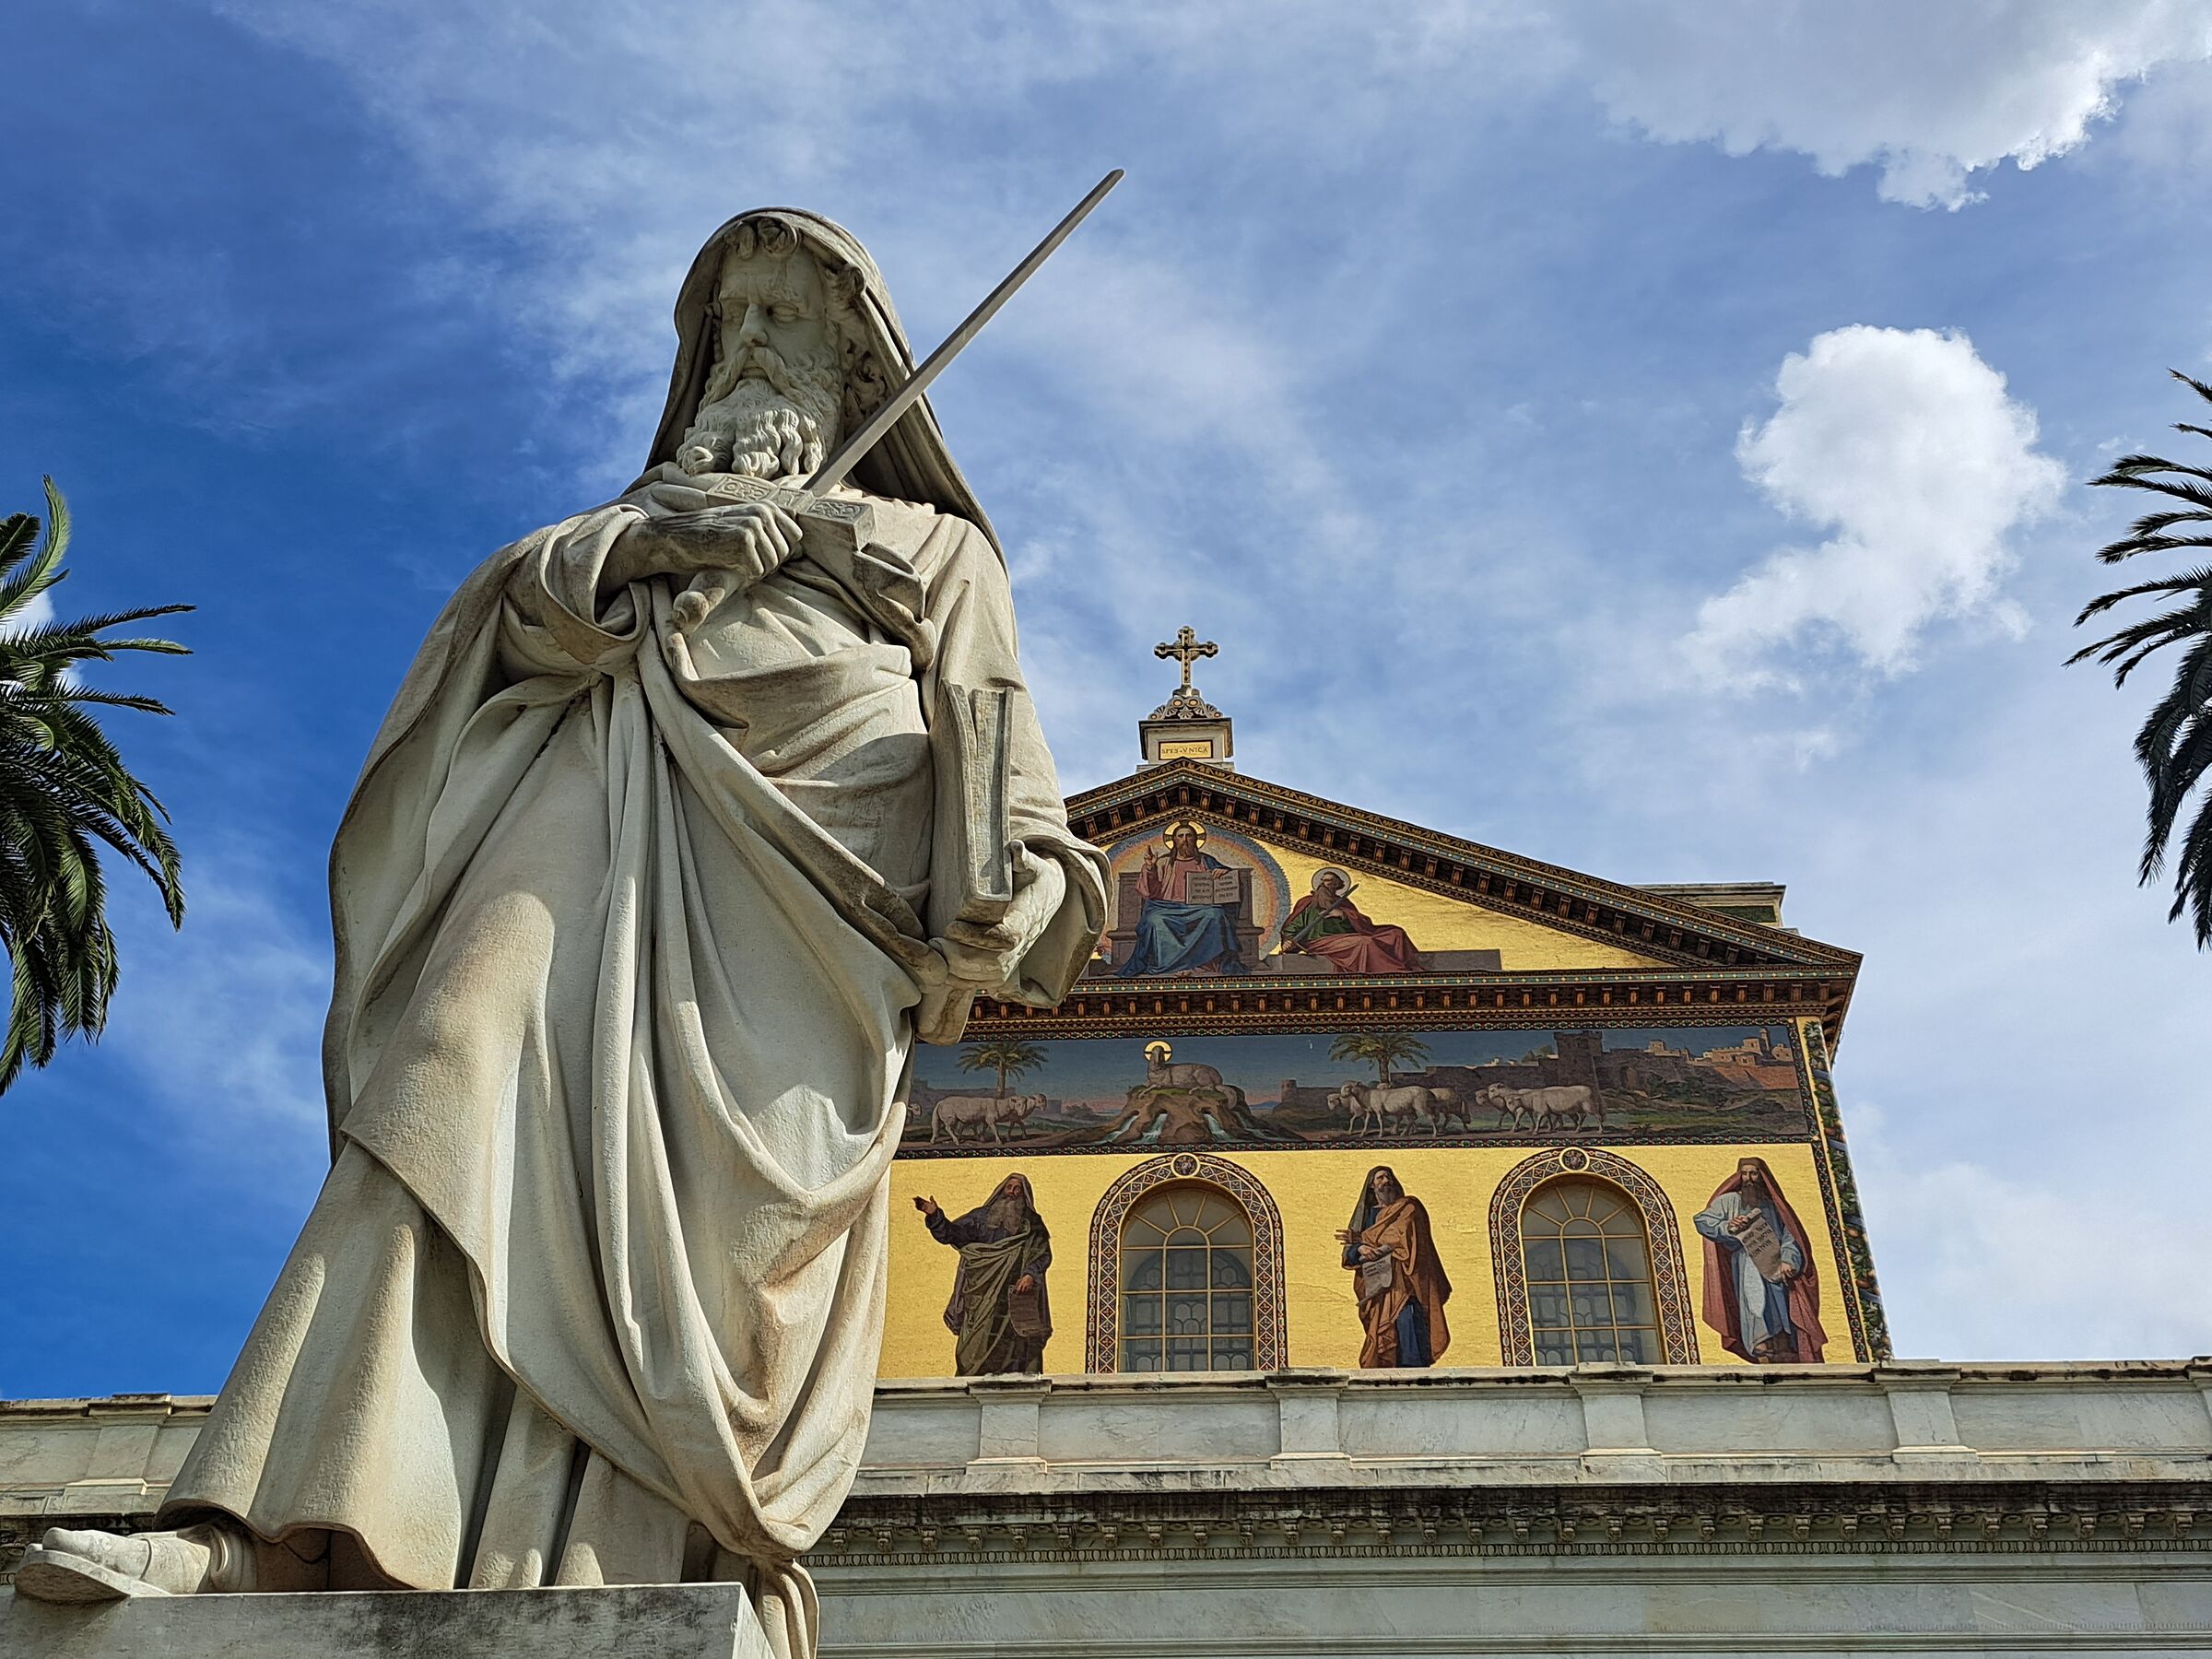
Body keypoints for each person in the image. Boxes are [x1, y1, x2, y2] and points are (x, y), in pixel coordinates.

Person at [18, 207, 1107, 1657]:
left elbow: (1012, 784)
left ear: (857, 372)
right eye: (736, 324)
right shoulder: (626, 535)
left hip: (801, 930)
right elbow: (494, 630)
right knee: (442, 1091)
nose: (753, 353)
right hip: (591, 833)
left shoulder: (935, 553)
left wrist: (1016, 895)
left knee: (709, 1277)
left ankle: (604, 1543)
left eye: (789, 324)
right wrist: (636, 553)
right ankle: (266, 1530)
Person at [913, 1175, 1052, 1374]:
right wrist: (935, 1216)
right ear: (1001, 1190)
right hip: (981, 1295)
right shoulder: (981, 1218)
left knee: (1014, 1345)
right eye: (1009, 1187)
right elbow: (953, 1234)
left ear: (1024, 1195)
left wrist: (1030, 1274)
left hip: (1014, 1297)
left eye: (1017, 1189)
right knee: (973, 1344)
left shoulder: (1031, 1223)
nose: (1012, 1192)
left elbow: (1042, 1252)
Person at [1694, 1158, 1827, 1363]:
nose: (1749, 1179)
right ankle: (1759, 1344)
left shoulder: (1774, 1207)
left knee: (1779, 1303)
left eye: (1754, 1174)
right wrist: (1728, 1226)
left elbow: (1790, 1235)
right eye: (1745, 1174)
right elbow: (1703, 1220)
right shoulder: (1729, 1201)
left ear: (1762, 1177)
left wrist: (1789, 1260)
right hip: (1747, 1260)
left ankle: (1783, 1344)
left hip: (1775, 1262)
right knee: (1753, 1300)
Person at [1335, 1166, 1453, 1367]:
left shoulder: (1408, 1207)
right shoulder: (1367, 1216)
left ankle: (1412, 1365)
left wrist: (1364, 1240)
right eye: (1380, 1178)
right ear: (1372, 1186)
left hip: (1406, 1281)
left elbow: (1400, 1234)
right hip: (1377, 1284)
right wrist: (1361, 1248)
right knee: (1381, 1326)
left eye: (1388, 1177)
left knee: (1407, 1318)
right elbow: (1350, 1253)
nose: (1385, 1181)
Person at [1116, 821, 1247, 976]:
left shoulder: (1206, 861)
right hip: (1167, 908)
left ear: (1195, 840)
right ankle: (1169, 966)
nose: (1185, 839)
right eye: (1181, 836)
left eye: (1189, 836)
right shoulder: (1164, 862)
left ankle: (1204, 965)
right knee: (1154, 920)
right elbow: (1150, 892)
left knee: (1215, 914)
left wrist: (1223, 872)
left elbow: (1231, 881)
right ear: (1174, 840)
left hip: (1200, 908)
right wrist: (1151, 868)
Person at [1278, 867, 1421, 973]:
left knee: (1396, 933)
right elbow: (1293, 927)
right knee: (1365, 943)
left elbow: (1364, 925)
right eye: (1322, 881)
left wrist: (1343, 914)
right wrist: (1288, 941)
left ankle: (1411, 966)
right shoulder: (1308, 903)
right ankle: (1396, 972)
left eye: (1328, 881)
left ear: (1336, 885)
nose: (1323, 884)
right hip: (1321, 943)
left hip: (1347, 938)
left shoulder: (1344, 904)